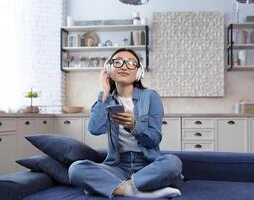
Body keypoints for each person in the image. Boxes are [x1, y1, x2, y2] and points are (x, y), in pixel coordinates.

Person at [68, 48, 183, 198]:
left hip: (147, 164)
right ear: (109, 69)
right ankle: (134, 190)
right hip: (117, 166)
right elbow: (95, 129)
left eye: (131, 63)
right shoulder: (107, 99)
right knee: (76, 168)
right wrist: (104, 92)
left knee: (173, 163)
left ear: (139, 72)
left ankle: (114, 186)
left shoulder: (150, 96)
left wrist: (133, 126)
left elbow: (154, 138)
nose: (124, 66)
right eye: (118, 62)